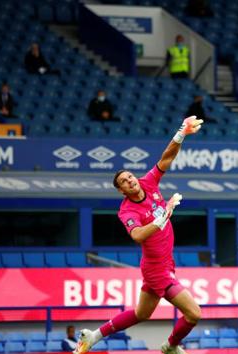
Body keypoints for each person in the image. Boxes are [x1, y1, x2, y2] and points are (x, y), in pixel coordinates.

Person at [73, 116, 204, 354]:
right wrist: (163, 217)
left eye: (130, 176)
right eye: (124, 181)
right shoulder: (127, 210)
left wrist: (181, 133)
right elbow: (138, 235)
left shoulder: (149, 183)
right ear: (121, 190)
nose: (130, 181)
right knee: (194, 313)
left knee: (141, 314)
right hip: (156, 270)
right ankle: (171, 346)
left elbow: (167, 157)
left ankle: (94, 336)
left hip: (165, 263)